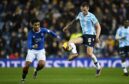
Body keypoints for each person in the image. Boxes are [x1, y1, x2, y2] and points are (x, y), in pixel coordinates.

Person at [63, 2, 102, 76]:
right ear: (81, 8)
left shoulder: (92, 16)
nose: (84, 11)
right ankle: (74, 53)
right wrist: (67, 27)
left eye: (85, 10)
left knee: (89, 54)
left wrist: (97, 36)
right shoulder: (80, 14)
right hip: (84, 35)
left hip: (91, 36)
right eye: (83, 9)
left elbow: (98, 27)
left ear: (88, 8)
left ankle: (98, 67)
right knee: (71, 41)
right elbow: (73, 21)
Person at [21, 18, 60, 83]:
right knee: (26, 66)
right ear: (32, 25)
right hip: (32, 51)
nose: (37, 26)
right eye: (35, 25)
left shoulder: (43, 30)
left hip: (40, 50)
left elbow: (50, 32)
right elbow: (29, 44)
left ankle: (36, 70)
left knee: (42, 64)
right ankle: (23, 78)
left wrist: (57, 36)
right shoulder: (30, 33)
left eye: (38, 25)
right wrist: (33, 46)